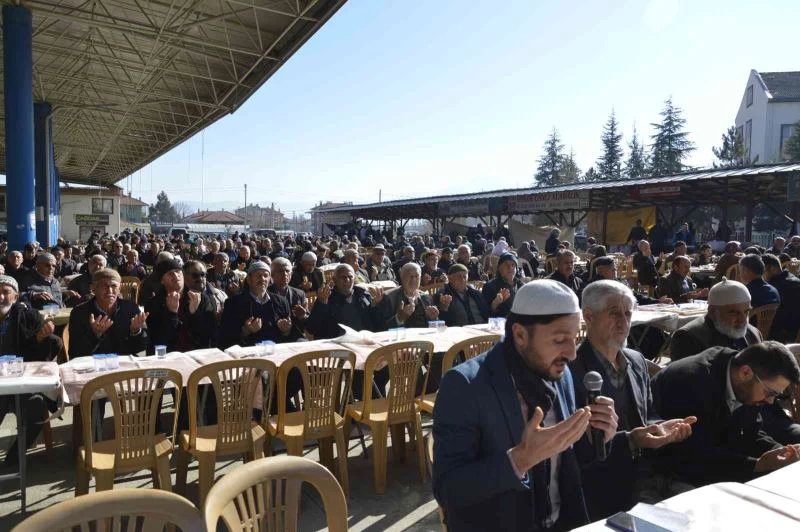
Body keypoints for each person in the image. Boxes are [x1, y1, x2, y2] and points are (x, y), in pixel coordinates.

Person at [433, 280, 617, 531]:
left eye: (575, 338)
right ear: (520, 334)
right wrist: (519, 460)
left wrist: (594, 436)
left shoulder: (559, 374)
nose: (572, 353)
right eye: (560, 339)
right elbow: (449, 490)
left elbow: (566, 462)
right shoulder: (466, 385)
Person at [570, 281, 695, 519]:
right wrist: (631, 440)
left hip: (650, 473)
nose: (623, 320)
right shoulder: (571, 369)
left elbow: (647, 414)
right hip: (603, 484)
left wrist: (661, 429)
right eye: (614, 312)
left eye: (627, 313)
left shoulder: (636, 360)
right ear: (589, 316)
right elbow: (575, 450)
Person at [652, 342, 800, 486]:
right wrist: (756, 465)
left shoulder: (744, 379)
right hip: (662, 471)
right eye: (770, 392)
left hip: (707, 462)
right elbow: (694, 458)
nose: (770, 401)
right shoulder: (692, 382)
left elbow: (750, 432)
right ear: (745, 372)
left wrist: (785, 453)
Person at [0, 275, 61, 465]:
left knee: (36, 406)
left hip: (21, 382)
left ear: (16, 297)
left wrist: (40, 339)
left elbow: (38, 351)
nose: (0, 297)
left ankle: (13, 461)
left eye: (5, 292)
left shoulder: (28, 316)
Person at [670, 278, 762, 361]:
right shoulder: (689, 338)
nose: (743, 320)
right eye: (734, 313)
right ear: (712, 312)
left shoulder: (753, 333)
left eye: (746, 312)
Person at [68, 269, 149, 357]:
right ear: (93, 288)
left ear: (119, 289)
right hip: (94, 365)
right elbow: (74, 353)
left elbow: (141, 347)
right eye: (104, 286)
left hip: (123, 363)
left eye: (114, 286)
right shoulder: (80, 312)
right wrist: (94, 334)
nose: (110, 291)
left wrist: (136, 332)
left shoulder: (130, 308)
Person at [218, 261, 293, 348]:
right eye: (258, 275)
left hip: (276, 352)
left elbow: (290, 337)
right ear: (249, 279)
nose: (262, 279)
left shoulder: (281, 301)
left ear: (270, 280)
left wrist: (286, 331)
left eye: (266, 275)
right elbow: (224, 339)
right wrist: (245, 331)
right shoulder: (233, 303)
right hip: (247, 356)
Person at [376, 262, 439, 330]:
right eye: (410, 276)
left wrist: (433, 319)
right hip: (402, 339)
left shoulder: (426, 297)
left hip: (424, 338)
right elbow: (380, 328)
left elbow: (435, 327)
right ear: (402, 277)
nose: (414, 280)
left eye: (416, 276)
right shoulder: (389, 297)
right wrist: (399, 318)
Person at [268, 257, 308, 341]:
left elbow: (309, 323)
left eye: (287, 271)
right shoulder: (266, 295)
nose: (285, 274)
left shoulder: (299, 294)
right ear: (272, 274)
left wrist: (302, 316)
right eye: (281, 271)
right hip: (273, 337)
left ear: (291, 273)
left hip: (296, 337)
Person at [763, 253, 800, 342]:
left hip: (783, 335)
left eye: (762, 271)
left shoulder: (776, 287)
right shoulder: (792, 279)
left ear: (772, 269)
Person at [482, 253, 524, 318]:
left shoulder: (521, 286)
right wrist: (495, 303)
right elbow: (485, 315)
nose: (510, 267)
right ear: (500, 269)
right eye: (506, 265)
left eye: (513, 265)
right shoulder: (490, 287)